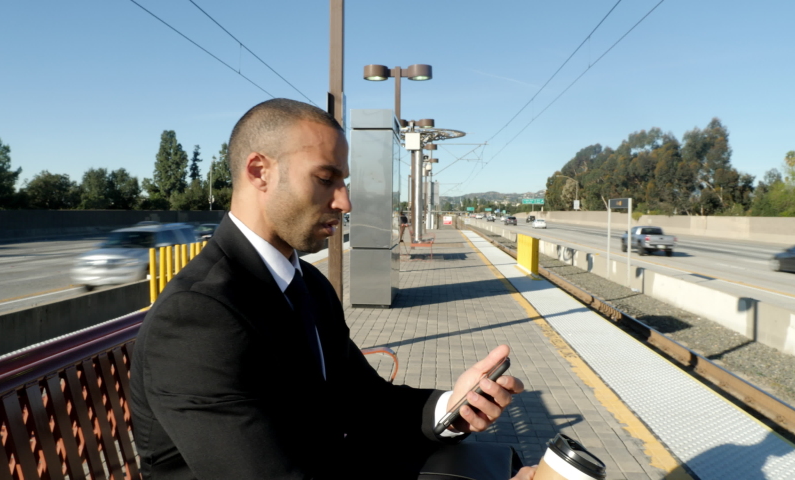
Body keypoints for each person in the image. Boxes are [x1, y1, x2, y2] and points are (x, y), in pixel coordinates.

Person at [130, 98, 535, 480]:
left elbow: (364, 400)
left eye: (343, 181)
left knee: (495, 463)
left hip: (335, 463)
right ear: (259, 171)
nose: (344, 201)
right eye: (326, 179)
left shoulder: (306, 283)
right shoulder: (197, 316)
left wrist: (452, 407)